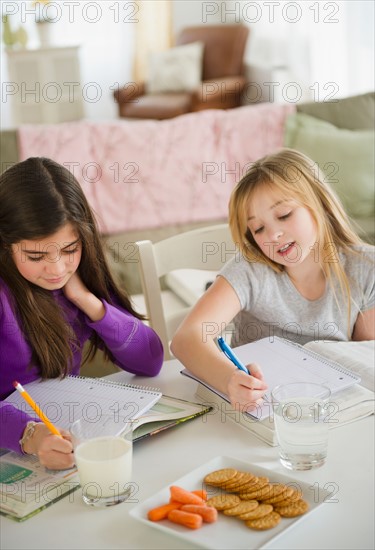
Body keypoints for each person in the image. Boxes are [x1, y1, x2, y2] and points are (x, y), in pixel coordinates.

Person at [171, 148, 374, 411]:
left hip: (331, 412)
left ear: (319, 203)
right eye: (258, 228)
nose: (273, 234)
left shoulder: (366, 268)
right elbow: (186, 338)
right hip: (259, 411)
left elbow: (362, 363)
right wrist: (229, 379)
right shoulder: (250, 270)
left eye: (284, 215)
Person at [0, 157, 164, 469]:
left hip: (64, 440)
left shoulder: (76, 282)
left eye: (69, 250)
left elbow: (150, 360)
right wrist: (28, 435)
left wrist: (89, 301)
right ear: (6, 244)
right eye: (35, 255)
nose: (57, 269)